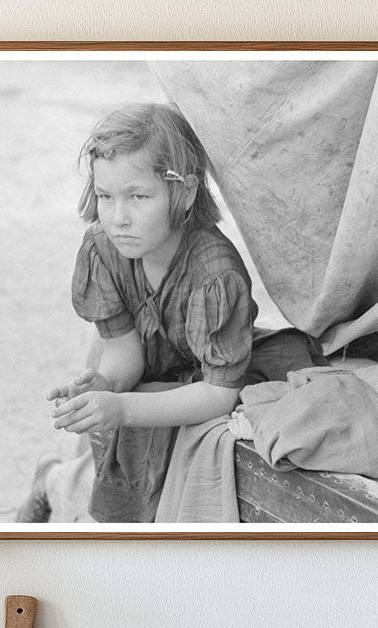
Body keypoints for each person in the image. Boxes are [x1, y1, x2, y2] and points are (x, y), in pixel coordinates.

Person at [44, 102, 308, 523]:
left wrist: (123, 407)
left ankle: (66, 486)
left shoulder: (214, 275)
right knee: (117, 411)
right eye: (105, 196)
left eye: (138, 196)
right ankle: (58, 482)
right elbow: (124, 349)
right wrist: (107, 383)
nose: (118, 218)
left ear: (183, 192)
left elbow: (219, 393)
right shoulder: (103, 249)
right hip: (156, 366)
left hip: (212, 377)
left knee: (147, 426)